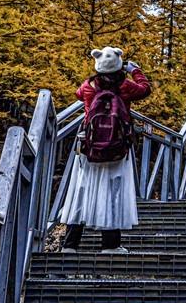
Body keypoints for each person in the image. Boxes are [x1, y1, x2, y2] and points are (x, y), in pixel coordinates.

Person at [59, 46, 152, 252]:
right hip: (117, 148)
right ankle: (110, 245)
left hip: (88, 147)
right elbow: (145, 89)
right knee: (113, 192)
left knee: (81, 191)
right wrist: (135, 71)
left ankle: (70, 245)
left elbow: (77, 94)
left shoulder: (88, 86)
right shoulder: (125, 86)